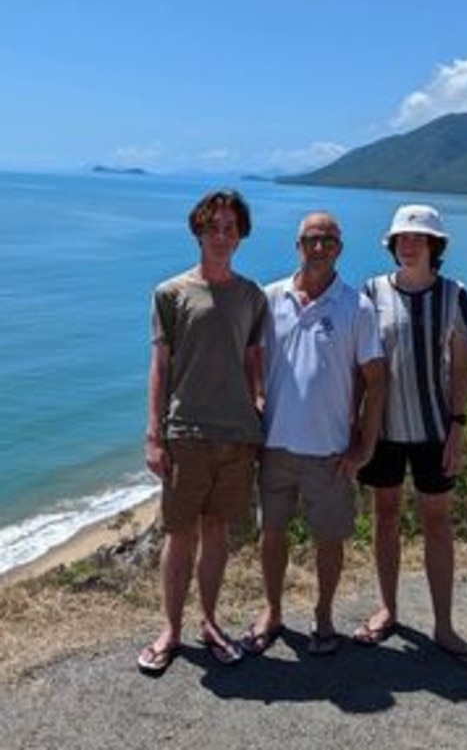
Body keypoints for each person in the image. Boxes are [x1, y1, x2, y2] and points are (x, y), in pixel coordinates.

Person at [353, 204, 467, 672]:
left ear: (435, 245)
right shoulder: (372, 291)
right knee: (385, 514)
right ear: (392, 244)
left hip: (435, 429)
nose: (408, 243)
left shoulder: (455, 294)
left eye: (418, 236)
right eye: (401, 237)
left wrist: (459, 426)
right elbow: (361, 363)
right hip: (385, 429)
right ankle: (389, 609)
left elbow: (459, 366)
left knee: (437, 523)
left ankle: (444, 625)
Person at [241, 211, 385, 656]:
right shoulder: (270, 299)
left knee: (329, 539)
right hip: (276, 445)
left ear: (339, 248)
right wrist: (258, 400)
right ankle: (272, 611)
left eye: (328, 239)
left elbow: (376, 379)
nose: (319, 247)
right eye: (311, 239)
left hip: (330, 450)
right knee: (272, 535)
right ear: (298, 245)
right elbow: (251, 357)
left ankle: (323, 614)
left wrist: (365, 444)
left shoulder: (356, 306)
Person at [138, 189, 267, 675]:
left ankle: (209, 621)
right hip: (186, 431)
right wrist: (154, 433)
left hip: (236, 435)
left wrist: (259, 410)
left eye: (229, 227)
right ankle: (170, 629)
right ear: (198, 230)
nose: (221, 235)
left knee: (217, 533)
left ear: (240, 235)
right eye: (212, 226)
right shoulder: (170, 293)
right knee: (179, 533)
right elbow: (160, 366)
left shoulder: (252, 296)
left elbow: (255, 361)